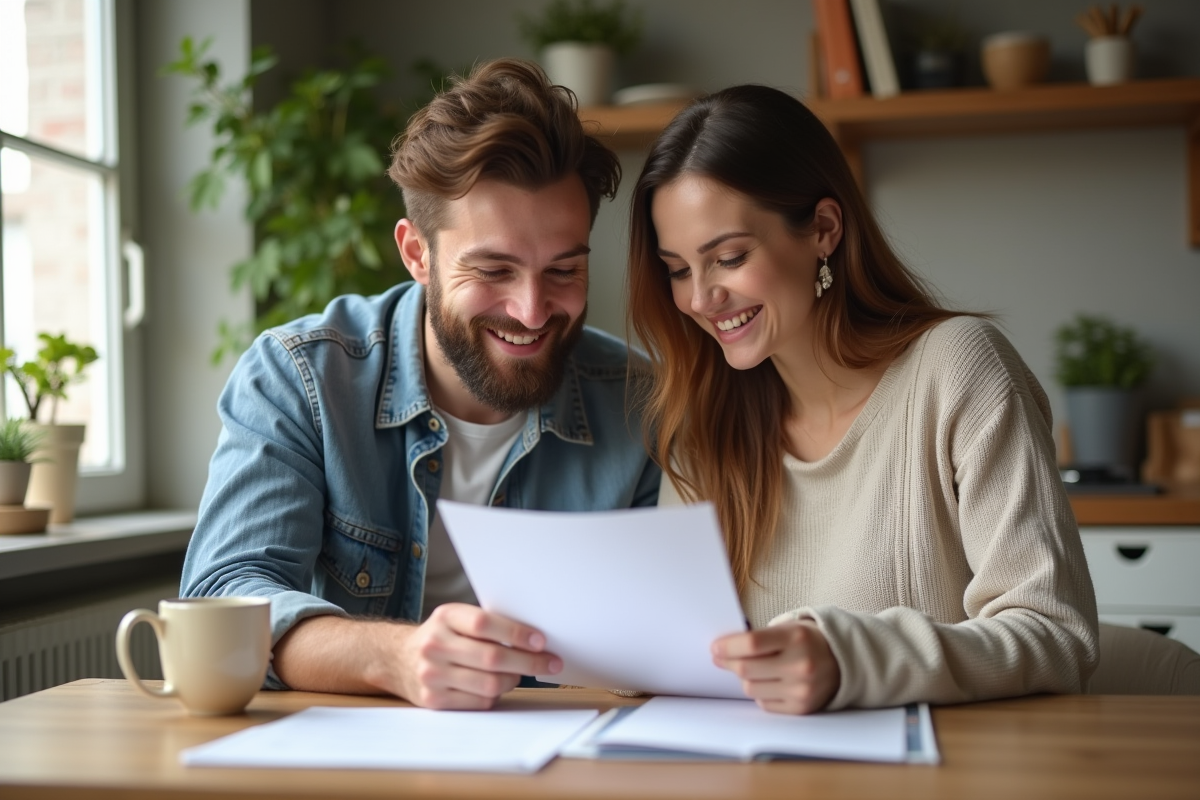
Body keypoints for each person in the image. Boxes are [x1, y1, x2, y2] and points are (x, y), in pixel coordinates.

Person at [181, 59, 661, 710]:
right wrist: (396, 659)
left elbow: (671, 631)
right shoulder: (300, 378)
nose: (532, 309)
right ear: (416, 254)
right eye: (493, 269)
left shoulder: (643, 403)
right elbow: (225, 591)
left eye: (563, 271)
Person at [626, 84, 1098, 715]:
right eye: (679, 269)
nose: (700, 299)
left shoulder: (959, 369)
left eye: (729, 258)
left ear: (822, 230)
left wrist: (848, 657)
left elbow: (1056, 635)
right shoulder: (706, 422)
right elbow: (671, 643)